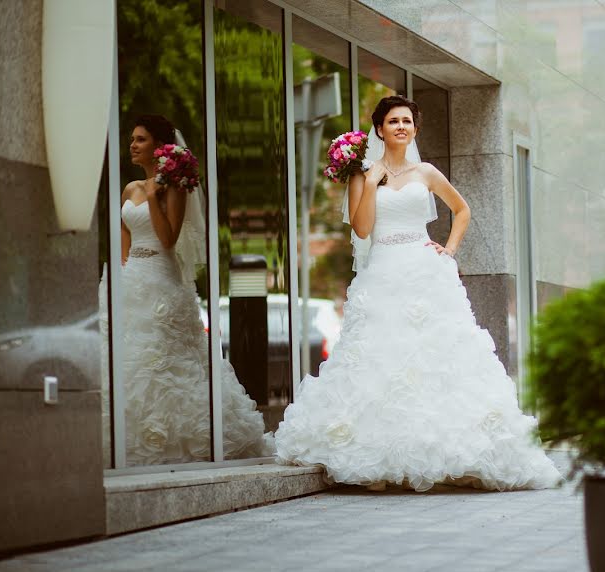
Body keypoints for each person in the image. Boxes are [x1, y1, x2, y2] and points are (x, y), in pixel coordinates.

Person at [274, 96, 562, 491]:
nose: (401, 127)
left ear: (414, 128)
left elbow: (462, 210)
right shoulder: (364, 174)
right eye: (393, 121)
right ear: (379, 129)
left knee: (439, 360)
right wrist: (372, 184)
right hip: (385, 270)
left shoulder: (426, 172)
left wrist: (449, 249)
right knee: (384, 359)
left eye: (407, 121)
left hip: (427, 271)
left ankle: (455, 455)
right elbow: (361, 229)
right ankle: (377, 457)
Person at [100, 114, 273, 466]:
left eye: (140, 139)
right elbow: (124, 240)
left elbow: (167, 238)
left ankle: (177, 440)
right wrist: (120, 278)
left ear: (159, 146)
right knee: (122, 358)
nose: (132, 145)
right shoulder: (130, 188)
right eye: (132, 139)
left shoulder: (174, 186)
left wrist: (153, 197)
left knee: (166, 361)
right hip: (131, 278)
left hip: (162, 279)